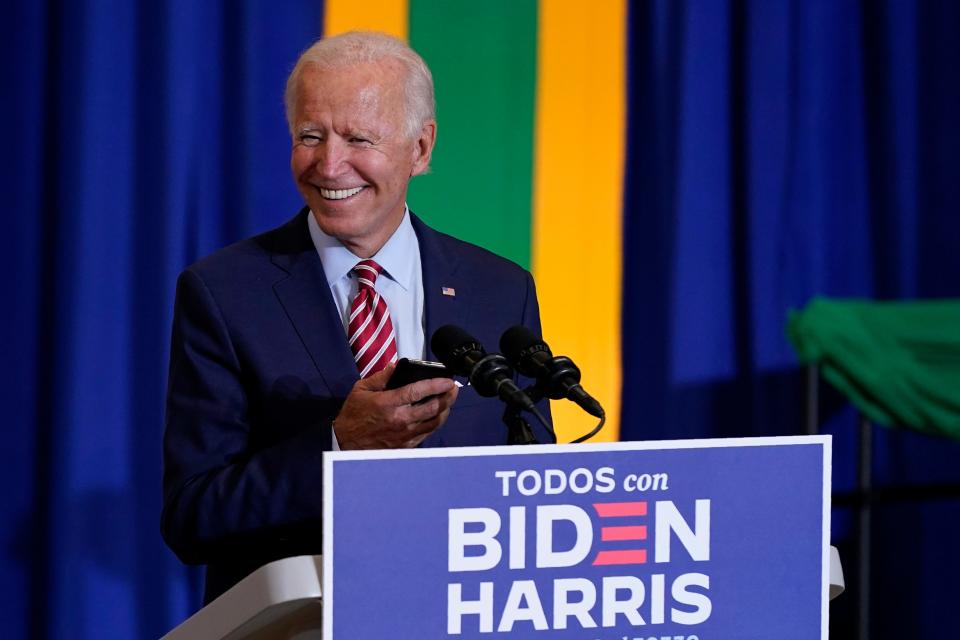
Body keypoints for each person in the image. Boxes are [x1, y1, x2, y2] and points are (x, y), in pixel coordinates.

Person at [161, 31, 552, 604]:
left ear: (420, 149)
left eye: (358, 138)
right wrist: (341, 444)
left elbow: (535, 485)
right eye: (309, 136)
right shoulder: (223, 292)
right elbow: (193, 516)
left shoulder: (500, 288)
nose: (329, 164)